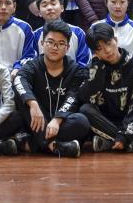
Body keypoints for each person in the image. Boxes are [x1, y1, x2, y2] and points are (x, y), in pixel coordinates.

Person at [64, 23, 133, 153]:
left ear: (116, 40)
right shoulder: (94, 67)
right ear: (95, 52)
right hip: (105, 121)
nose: (107, 51)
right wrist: (98, 70)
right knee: (85, 110)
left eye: (108, 43)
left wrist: (125, 135)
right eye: (100, 49)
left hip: (132, 121)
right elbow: (84, 97)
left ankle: (111, 141)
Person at [13, 20, 92, 157]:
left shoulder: (76, 70)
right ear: (42, 43)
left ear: (67, 47)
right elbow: (19, 80)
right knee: (20, 96)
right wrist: (33, 104)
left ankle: (32, 145)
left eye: (61, 44)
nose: (55, 47)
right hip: (36, 120)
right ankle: (54, 146)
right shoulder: (32, 65)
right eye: (50, 42)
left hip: (62, 123)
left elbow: (73, 97)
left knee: (82, 122)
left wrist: (57, 119)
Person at [34, 0, 90, 67]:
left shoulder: (78, 32)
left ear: (62, 8)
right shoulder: (35, 35)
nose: (49, 8)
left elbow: (84, 61)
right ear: (39, 12)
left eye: (53, 4)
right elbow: (33, 62)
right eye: (44, 5)